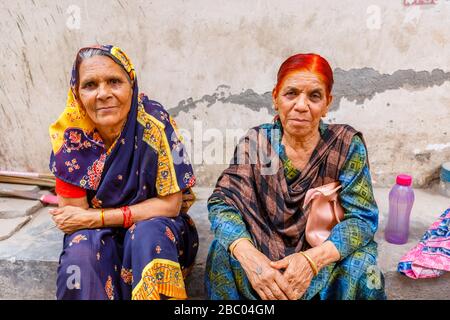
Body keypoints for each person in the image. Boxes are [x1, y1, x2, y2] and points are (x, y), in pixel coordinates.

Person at [205, 53, 386, 300]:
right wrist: (249, 256)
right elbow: (222, 204)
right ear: (275, 98)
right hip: (264, 250)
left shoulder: (345, 145)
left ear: (327, 104)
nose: (301, 105)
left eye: (314, 96)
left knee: (363, 265)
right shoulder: (257, 143)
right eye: (291, 94)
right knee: (222, 251)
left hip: (322, 253)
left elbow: (362, 219)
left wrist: (311, 260)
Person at [48, 45, 198, 300]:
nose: (103, 94)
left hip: (156, 226)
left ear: (132, 85)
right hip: (96, 232)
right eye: (90, 85)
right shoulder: (69, 139)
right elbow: (74, 218)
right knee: (81, 250)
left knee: (146, 236)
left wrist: (98, 218)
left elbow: (170, 206)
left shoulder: (154, 124)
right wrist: (93, 222)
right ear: (77, 92)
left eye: (114, 82)